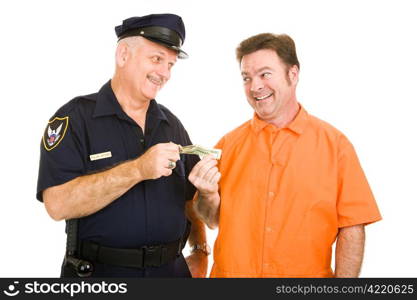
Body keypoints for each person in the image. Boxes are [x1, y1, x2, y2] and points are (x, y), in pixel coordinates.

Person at [189, 33, 382, 277]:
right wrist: (207, 195)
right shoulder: (227, 145)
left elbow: (353, 228)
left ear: (293, 74)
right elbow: (211, 219)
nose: (255, 86)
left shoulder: (336, 146)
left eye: (265, 74)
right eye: (246, 78)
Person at [36, 14, 210, 278]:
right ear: (123, 55)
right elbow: (57, 204)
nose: (164, 73)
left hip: (171, 274)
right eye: (156, 59)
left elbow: (190, 199)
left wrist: (199, 250)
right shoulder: (75, 119)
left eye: (171, 65)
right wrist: (138, 169)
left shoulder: (171, 124)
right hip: (102, 275)